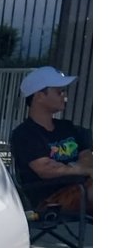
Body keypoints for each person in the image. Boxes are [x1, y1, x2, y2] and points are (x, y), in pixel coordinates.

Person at [9, 65, 93, 214]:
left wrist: (72, 168)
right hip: (49, 200)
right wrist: (80, 168)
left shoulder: (67, 127)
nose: (64, 97)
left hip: (82, 188)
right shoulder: (24, 134)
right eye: (59, 92)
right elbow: (46, 170)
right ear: (40, 97)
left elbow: (87, 156)